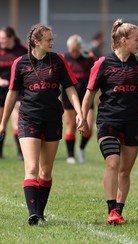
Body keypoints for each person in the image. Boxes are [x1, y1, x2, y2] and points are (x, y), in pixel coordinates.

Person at [0, 24, 86, 225]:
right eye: (48, 39)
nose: (52, 42)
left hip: (53, 119)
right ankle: (32, 214)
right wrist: (3, 122)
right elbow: (12, 94)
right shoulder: (20, 63)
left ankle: (39, 212)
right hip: (28, 118)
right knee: (31, 168)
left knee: (45, 171)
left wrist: (80, 113)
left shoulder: (58, 61)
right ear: (36, 41)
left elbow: (70, 89)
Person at [81, 19, 138, 225]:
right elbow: (89, 93)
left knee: (125, 170)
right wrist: (82, 116)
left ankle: (119, 210)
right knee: (113, 163)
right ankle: (111, 210)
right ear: (124, 40)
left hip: (132, 121)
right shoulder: (103, 63)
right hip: (108, 121)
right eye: (137, 39)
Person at [62, 34, 96, 164]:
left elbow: (96, 77)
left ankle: (81, 148)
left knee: (88, 127)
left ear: (81, 48)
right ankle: (70, 155)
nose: (74, 52)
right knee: (70, 125)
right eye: (72, 49)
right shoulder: (64, 59)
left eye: (77, 49)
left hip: (86, 98)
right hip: (69, 98)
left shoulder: (89, 58)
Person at [0, 26, 28, 159]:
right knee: (1, 121)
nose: (1, 41)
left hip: (18, 91)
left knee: (17, 120)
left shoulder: (23, 51)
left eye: (3, 38)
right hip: (1, 91)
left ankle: (20, 152)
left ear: (11, 37)